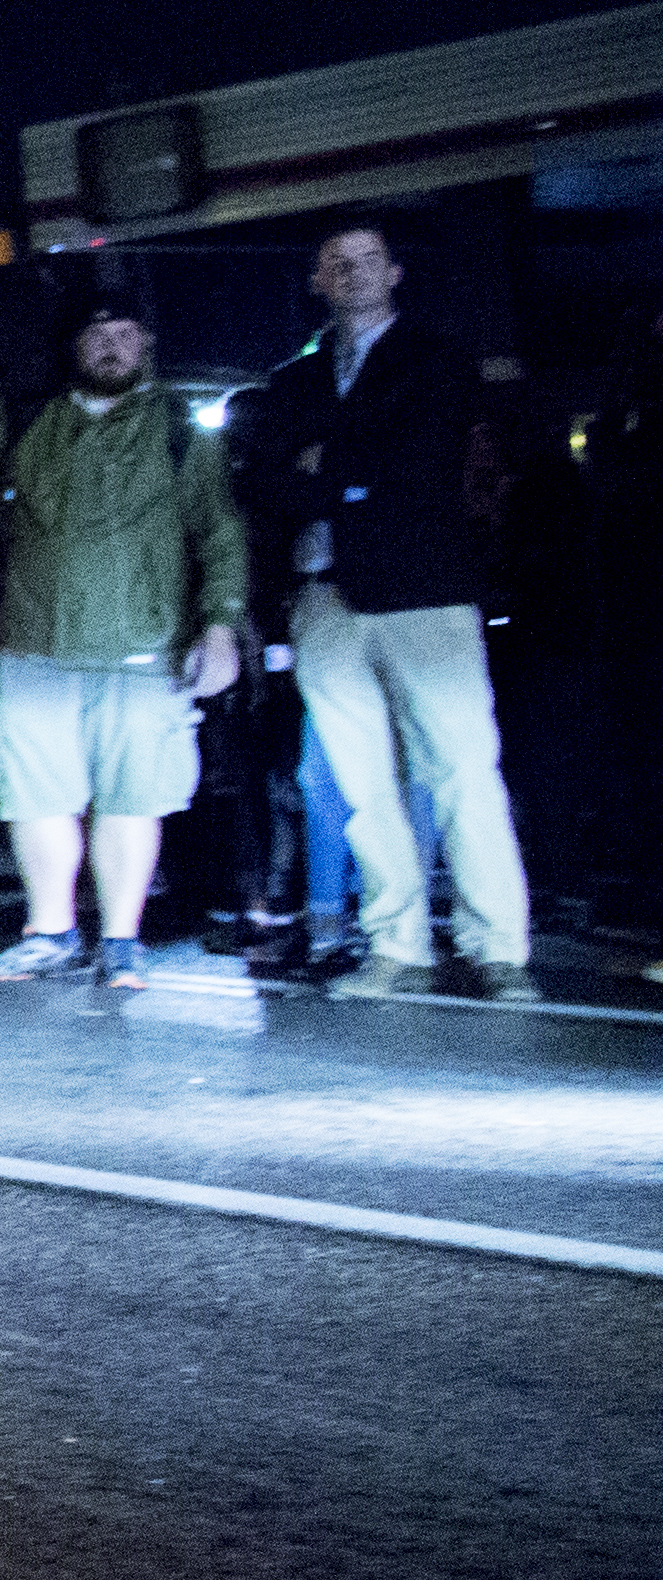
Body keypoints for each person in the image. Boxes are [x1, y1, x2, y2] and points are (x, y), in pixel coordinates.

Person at [229, 220, 537, 1001]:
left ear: (396, 272)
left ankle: (499, 946)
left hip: (425, 594)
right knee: (363, 787)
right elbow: (263, 481)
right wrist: (350, 467)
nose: (353, 272)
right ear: (316, 282)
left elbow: (420, 463)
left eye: (367, 259)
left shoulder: (437, 358)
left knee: (464, 771)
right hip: (324, 594)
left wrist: (323, 468)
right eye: (337, 262)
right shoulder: (293, 380)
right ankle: (397, 947)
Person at [0, 289, 245, 989]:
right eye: (99, 336)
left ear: (146, 344)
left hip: (144, 648)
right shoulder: (30, 419)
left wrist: (220, 624)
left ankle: (121, 945)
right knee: (35, 796)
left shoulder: (182, 430)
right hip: (37, 647)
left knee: (132, 798)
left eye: (126, 334)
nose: (112, 347)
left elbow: (219, 531)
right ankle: (50, 932)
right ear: (76, 348)